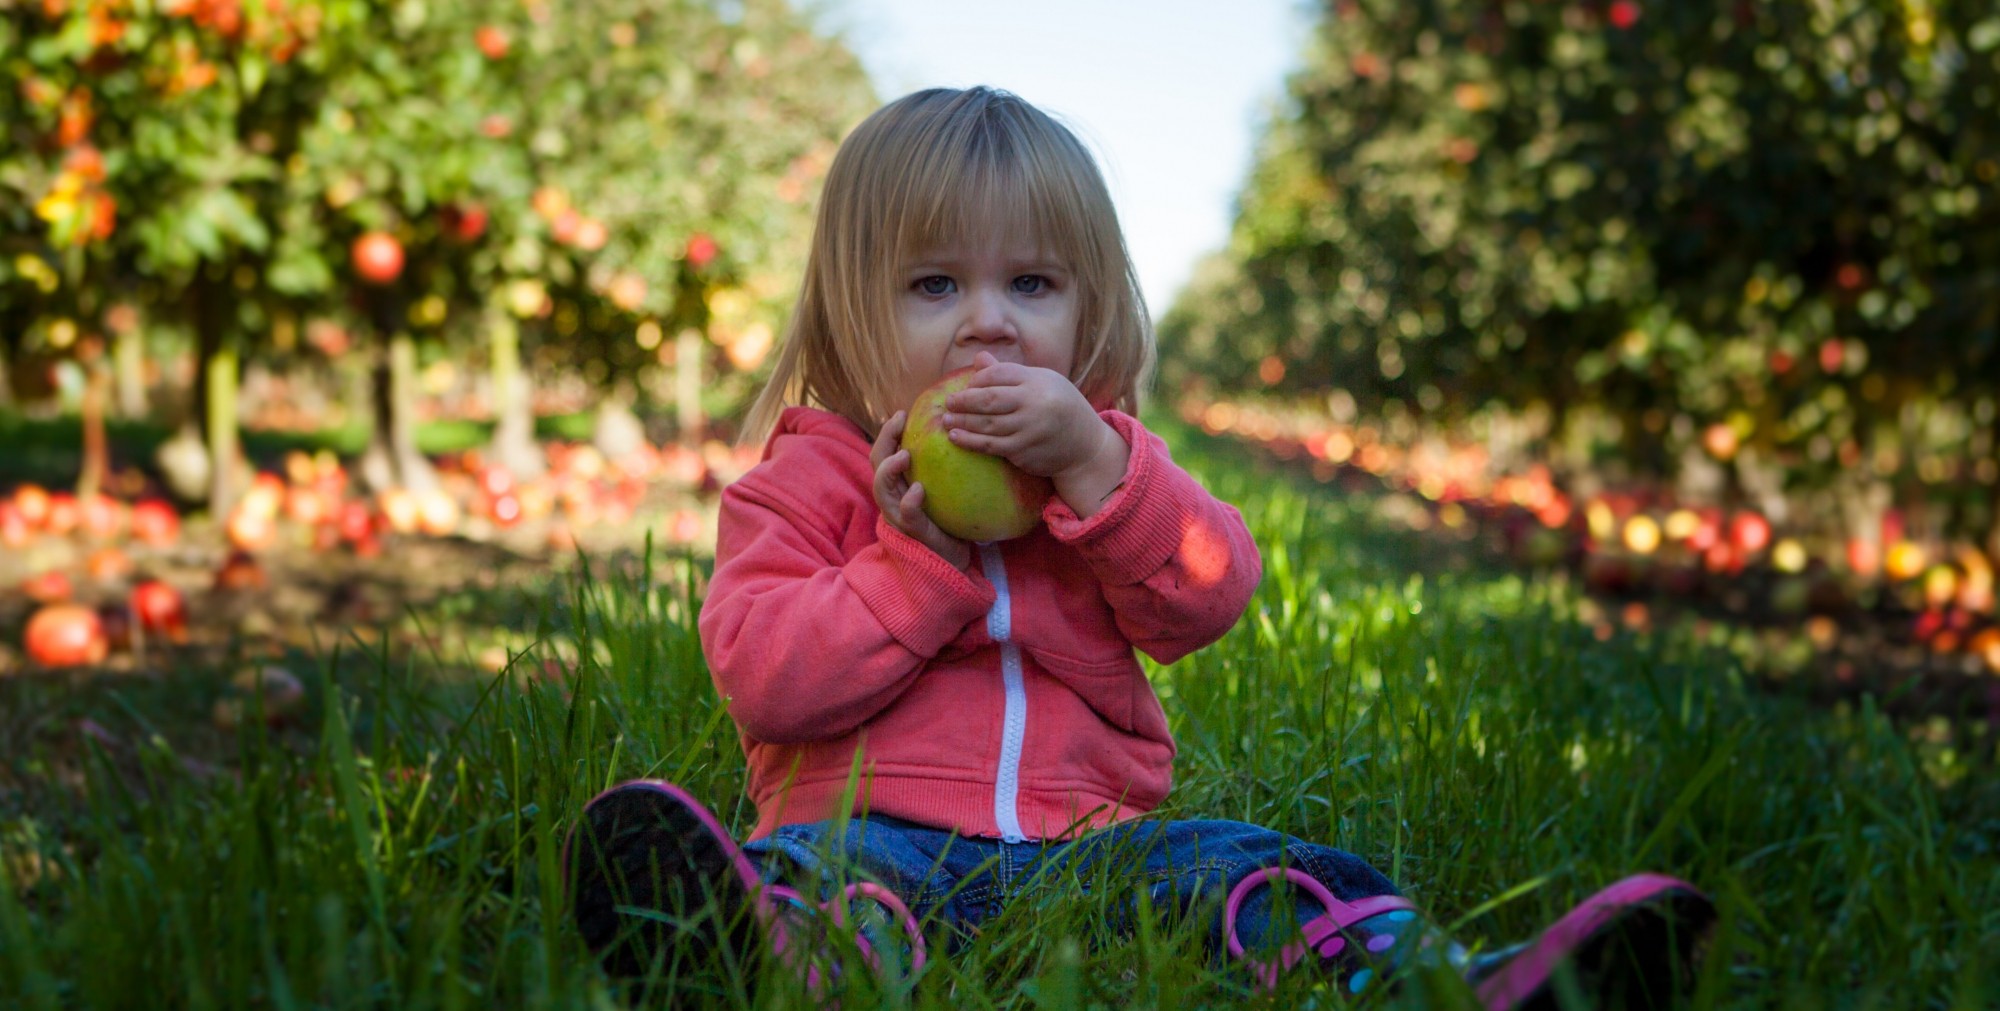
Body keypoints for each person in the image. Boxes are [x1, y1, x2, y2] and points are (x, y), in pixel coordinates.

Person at [566, 86, 1715, 1004]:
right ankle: (757, 949)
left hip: (1093, 848)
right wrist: (912, 568)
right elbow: (767, 680)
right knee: (829, 887)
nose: (988, 320)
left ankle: (1453, 981)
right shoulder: (804, 483)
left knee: (1257, 870)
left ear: (1088, 307)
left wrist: (1098, 474)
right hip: (874, 828)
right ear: (846, 308)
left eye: (1030, 282)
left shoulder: (1103, 466)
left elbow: (1207, 598)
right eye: (932, 284)